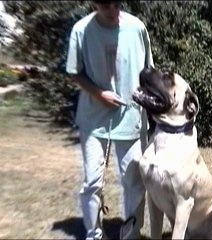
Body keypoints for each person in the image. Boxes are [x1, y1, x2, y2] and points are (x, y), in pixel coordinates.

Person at [65, 0, 154, 239]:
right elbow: (74, 71)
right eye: (106, 6)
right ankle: (94, 234)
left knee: (134, 183)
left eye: (116, 4)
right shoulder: (81, 30)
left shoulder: (137, 28)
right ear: (94, 5)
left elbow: (148, 73)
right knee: (92, 182)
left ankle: (131, 235)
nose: (113, 11)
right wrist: (99, 93)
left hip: (131, 119)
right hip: (93, 119)